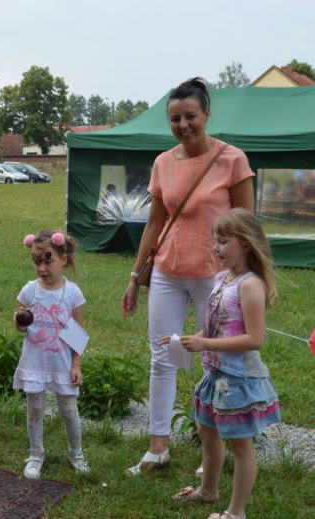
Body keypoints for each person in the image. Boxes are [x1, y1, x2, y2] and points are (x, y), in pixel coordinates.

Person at [121, 78, 255, 476]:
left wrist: (247, 282)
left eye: (190, 116)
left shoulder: (233, 160)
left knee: (216, 361)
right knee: (162, 358)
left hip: (217, 278)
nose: (183, 125)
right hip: (166, 272)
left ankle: (211, 452)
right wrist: (135, 275)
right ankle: (157, 447)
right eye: (175, 118)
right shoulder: (163, 163)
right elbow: (154, 224)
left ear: (207, 114)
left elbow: (247, 227)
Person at [170, 208, 280, 519]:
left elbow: (254, 339)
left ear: (245, 244)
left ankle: (236, 513)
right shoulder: (222, 279)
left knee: (241, 449)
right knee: (207, 434)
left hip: (238, 379)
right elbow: (217, 327)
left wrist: (206, 344)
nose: (216, 248)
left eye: (223, 241)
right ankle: (208, 490)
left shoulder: (250, 285)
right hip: (215, 374)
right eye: (215, 241)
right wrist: (190, 340)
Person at [14, 230, 89, 479]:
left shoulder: (72, 293)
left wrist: (76, 365)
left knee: (68, 410)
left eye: (48, 261)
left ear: (63, 260)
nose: (42, 268)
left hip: (62, 364)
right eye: (37, 261)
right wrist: (20, 322)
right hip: (35, 361)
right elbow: (22, 326)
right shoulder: (29, 292)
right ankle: (36, 454)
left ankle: (76, 453)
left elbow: (77, 333)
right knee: (34, 408)